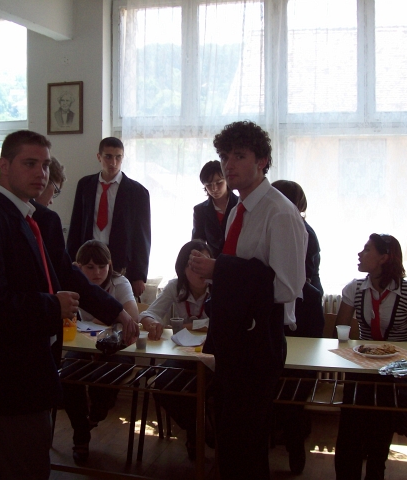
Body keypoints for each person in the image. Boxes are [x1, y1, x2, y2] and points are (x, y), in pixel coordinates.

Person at [0, 130, 138, 479]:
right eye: (30, 163)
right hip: (8, 373)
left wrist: (116, 311)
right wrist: (52, 306)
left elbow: (68, 275)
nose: (41, 173)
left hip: (36, 363)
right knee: (13, 465)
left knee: (31, 460)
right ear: (4, 165)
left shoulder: (31, 218)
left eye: (45, 165)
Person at [187, 120, 307, 479]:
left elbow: (288, 287)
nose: (229, 164)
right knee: (231, 439)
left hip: (258, 342)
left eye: (239, 156)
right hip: (232, 338)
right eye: (225, 156)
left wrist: (221, 269)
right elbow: (241, 276)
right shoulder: (238, 210)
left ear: (263, 161)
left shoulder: (279, 212)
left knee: (248, 442)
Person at [334, 234, 407, 480]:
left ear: (384, 258)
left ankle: (376, 469)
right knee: (349, 433)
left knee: (379, 431)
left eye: (367, 249)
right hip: (361, 368)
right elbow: (340, 332)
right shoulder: (355, 288)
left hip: (395, 372)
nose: (360, 254)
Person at [63, 240, 139, 464]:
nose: (97, 273)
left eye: (102, 266)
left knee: (104, 377)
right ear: (78, 267)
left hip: (116, 347)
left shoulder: (120, 283)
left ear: (110, 265)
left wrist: (102, 317)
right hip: (83, 346)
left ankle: (96, 413)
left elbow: (132, 316)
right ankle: (80, 434)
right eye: (90, 267)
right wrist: (109, 317)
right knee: (67, 376)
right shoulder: (72, 282)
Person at [139, 239, 213, 459]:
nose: (200, 270)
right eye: (193, 265)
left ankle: (199, 434)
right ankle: (198, 430)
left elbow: (223, 322)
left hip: (212, 355)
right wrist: (152, 323)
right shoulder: (175, 286)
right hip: (183, 354)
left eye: (204, 262)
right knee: (163, 386)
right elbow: (147, 313)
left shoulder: (221, 285)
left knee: (204, 388)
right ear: (182, 269)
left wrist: (191, 325)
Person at [271, 179, 325, 474]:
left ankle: (294, 443)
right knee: (280, 381)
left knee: (295, 381)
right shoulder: (288, 228)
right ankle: (288, 439)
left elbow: (297, 277)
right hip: (290, 307)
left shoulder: (302, 231)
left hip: (303, 309)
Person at [67, 136, 151, 298]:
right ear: (99, 157)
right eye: (108, 157)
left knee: (119, 307)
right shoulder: (85, 185)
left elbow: (143, 236)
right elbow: (76, 225)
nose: (113, 162)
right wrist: (71, 264)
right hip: (88, 259)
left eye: (118, 157)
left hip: (120, 263)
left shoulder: (137, 192)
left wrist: (139, 275)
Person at [192, 160, 238, 258]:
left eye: (219, 183)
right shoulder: (200, 210)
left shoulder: (241, 204)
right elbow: (197, 243)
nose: (214, 188)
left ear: (227, 180)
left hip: (239, 261)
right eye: (208, 185)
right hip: (212, 262)